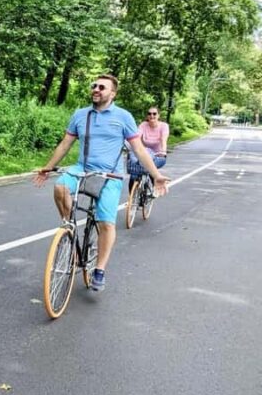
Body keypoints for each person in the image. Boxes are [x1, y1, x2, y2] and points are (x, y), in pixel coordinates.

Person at [33, 74, 169, 292]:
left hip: (110, 175)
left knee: (105, 223)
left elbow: (139, 149)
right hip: (82, 168)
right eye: (94, 86)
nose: (96, 89)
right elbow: (65, 144)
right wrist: (47, 167)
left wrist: (156, 175)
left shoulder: (123, 117)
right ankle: (69, 229)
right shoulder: (80, 115)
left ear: (112, 94)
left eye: (102, 87)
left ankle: (99, 270)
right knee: (60, 187)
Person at [127, 106, 169, 192]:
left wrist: (163, 152)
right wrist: (131, 145)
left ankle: (154, 190)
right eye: (149, 114)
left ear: (158, 115)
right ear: (147, 116)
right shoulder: (143, 125)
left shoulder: (164, 126)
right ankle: (131, 197)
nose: (152, 116)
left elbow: (163, 139)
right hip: (144, 154)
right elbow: (136, 136)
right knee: (134, 174)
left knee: (151, 169)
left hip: (158, 156)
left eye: (154, 114)